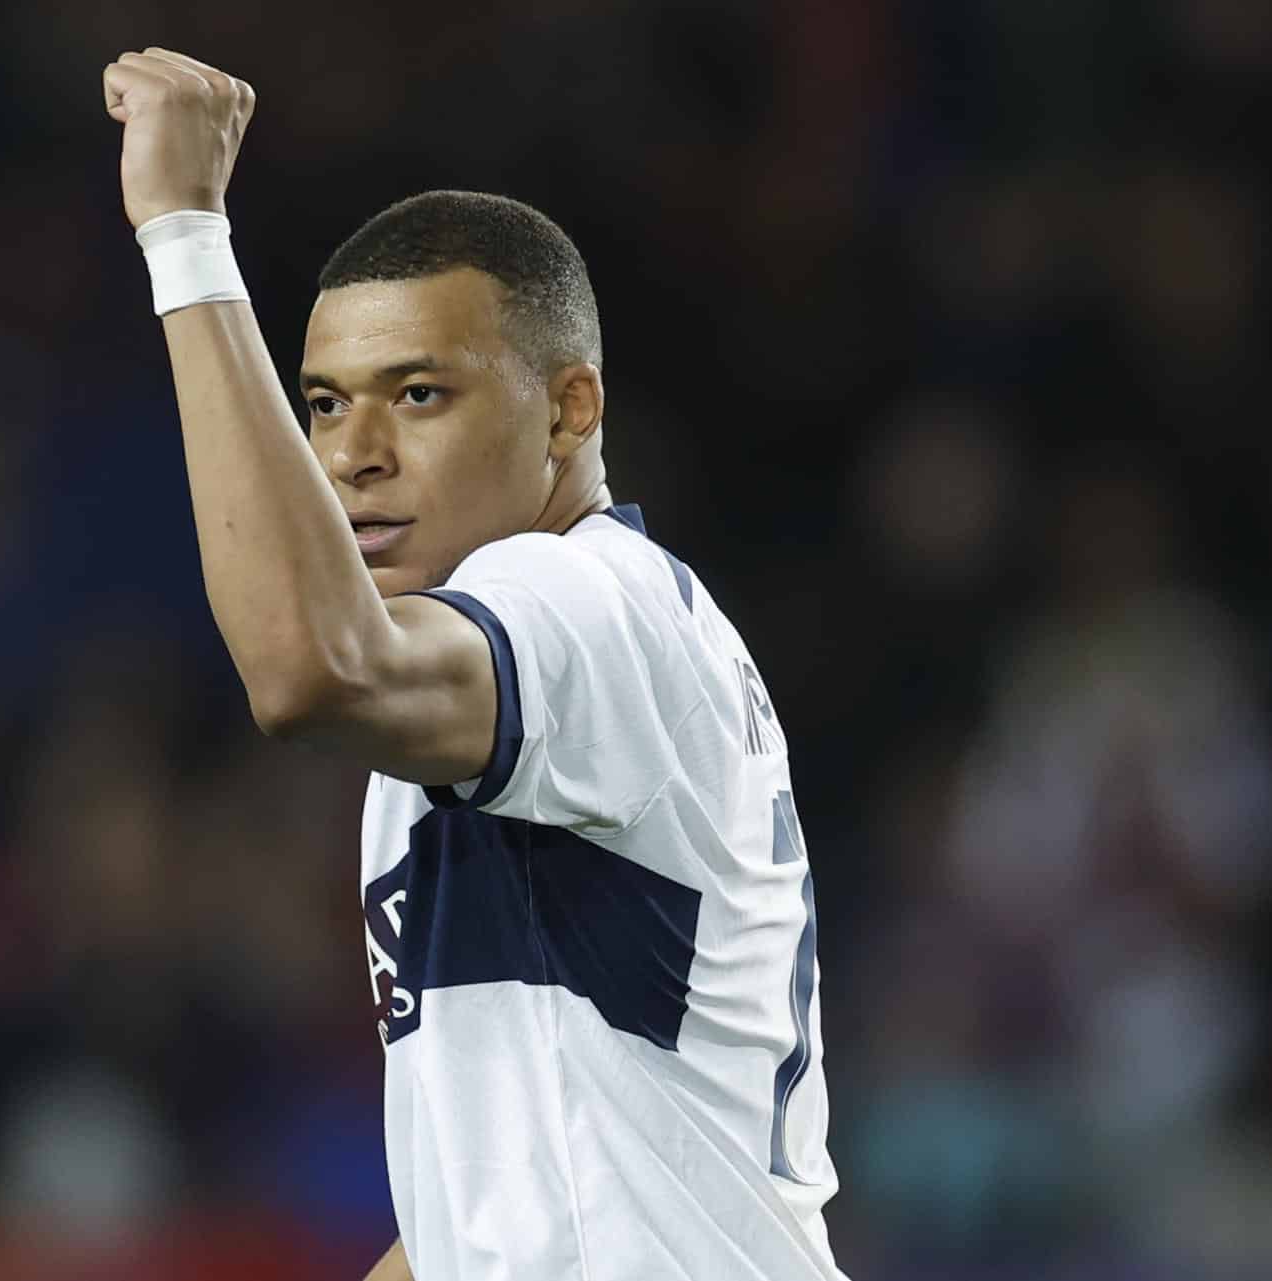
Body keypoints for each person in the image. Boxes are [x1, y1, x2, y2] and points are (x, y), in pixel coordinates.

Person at [101, 48, 846, 1281]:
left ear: (570, 411)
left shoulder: (583, 604)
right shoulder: (503, 675)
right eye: (325, 405)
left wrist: (184, 233)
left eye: (420, 395)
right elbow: (500, 1209)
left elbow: (309, 668)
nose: (354, 456)